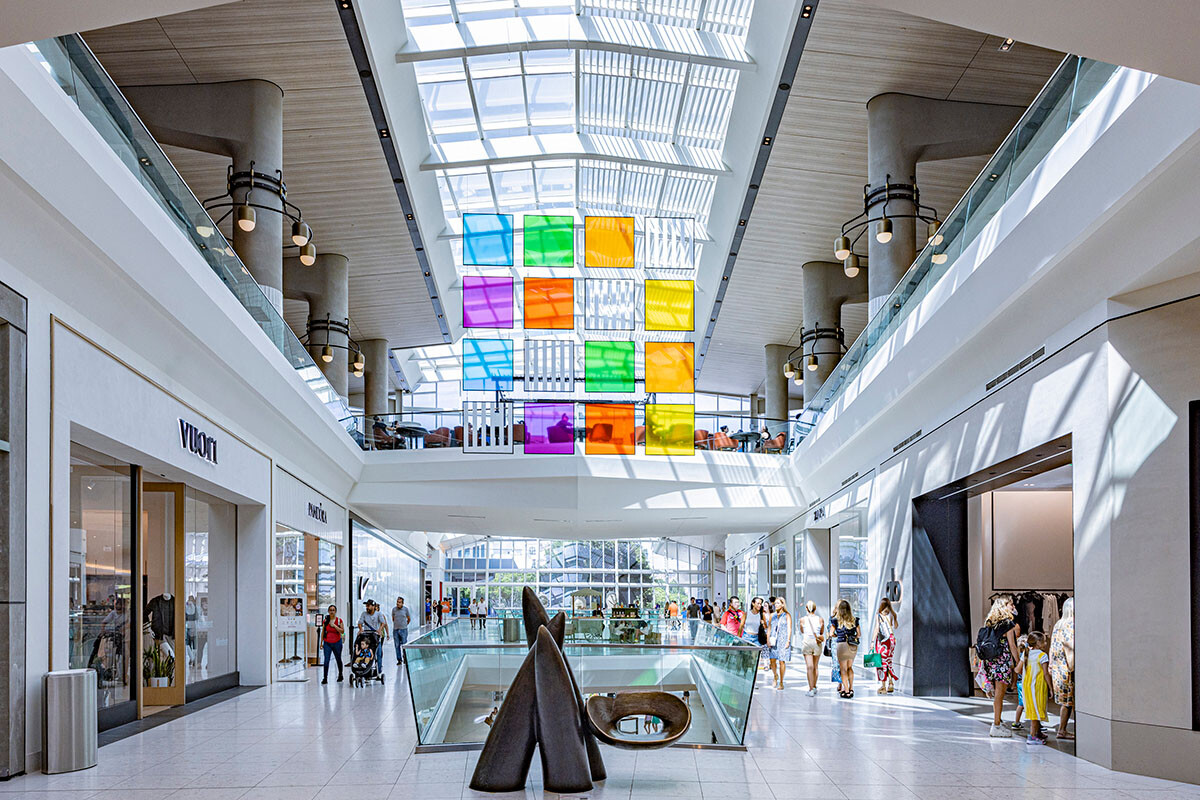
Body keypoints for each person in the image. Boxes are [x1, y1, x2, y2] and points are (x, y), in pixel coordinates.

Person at [978, 596, 1021, 737]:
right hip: (1002, 662)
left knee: (997, 694)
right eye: (1011, 604)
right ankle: (996, 725)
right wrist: (1019, 662)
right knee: (999, 695)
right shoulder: (1008, 624)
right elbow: (1012, 646)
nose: (1013, 607)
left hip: (990, 662)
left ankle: (998, 720)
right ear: (1004, 606)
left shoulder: (990, 623)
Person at [1018, 631, 1051, 745]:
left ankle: (1036, 733)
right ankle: (1032, 736)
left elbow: (1017, 669)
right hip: (1038, 686)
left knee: (1032, 709)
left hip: (1027, 686)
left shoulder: (1026, 654)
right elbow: (1046, 673)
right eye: (1044, 641)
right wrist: (1051, 687)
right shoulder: (1043, 655)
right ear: (1038, 643)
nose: (1046, 643)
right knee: (1037, 711)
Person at [1049, 598, 1075, 740]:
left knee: (1066, 701)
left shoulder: (1059, 624)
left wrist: (1051, 665)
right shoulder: (1072, 624)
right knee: (1069, 701)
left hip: (1058, 667)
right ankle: (1062, 729)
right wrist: (1072, 667)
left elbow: (1053, 645)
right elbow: (1070, 646)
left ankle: (1062, 729)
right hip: (1068, 667)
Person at [830, 599, 861, 698]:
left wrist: (837, 635)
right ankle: (851, 689)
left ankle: (846, 691)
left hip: (842, 645)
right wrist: (852, 636)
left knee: (843, 669)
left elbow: (831, 633)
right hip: (852, 646)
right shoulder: (854, 620)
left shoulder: (835, 620)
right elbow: (859, 634)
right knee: (850, 667)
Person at [871, 598, 899, 694]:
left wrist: (872, 642)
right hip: (892, 641)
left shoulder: (879, 615)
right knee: (889, 662)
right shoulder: (892, 614)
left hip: (883, 642)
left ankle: (883, 686)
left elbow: (877, 629)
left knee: (881, 662)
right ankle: (891, 683)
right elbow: (895, 626)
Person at [798, 600, 825, 696]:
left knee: (809, 667)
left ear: (806, 608)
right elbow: (821, 632)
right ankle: (814, 686)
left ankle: (810, 689)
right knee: (815, 666)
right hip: (817, 643)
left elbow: (802, 631)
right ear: (815, 608)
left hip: (807, 642)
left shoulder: (802, 619)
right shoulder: (820, 619)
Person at [768, 597, 794, 690]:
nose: (776, 605)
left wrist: (788, 640)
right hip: (774, 639)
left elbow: (789, 628)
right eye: (775, 603)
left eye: (778, 603)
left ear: (783, 604)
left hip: (783, 639)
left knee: (782, 661)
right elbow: (769, 628)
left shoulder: (787, 615)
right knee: (772, 660)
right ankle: (775, 675)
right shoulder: (772, 615)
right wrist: (768, 639)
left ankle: (781, 682)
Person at [357, 599, 388, 669]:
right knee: (365, 651)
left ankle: (379, 670)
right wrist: (361, 629)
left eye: (368, 606)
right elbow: (360, 622)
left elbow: (383, 623)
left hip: (375, 635)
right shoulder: (364, 614)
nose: (367, 607)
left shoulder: (378, 614)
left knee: (378, 653)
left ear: (373, 606)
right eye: (366, 606)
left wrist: (380, 630)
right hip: (366, 635)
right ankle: (364, 666)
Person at [742, 597, 769, 667]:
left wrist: (763, 623)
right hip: (746, 637)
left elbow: (766, 627)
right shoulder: (746, 614)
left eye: (760, 604)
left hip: (757, 638)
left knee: (755, 657)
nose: (759, 605)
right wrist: (738, 637)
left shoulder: (762, 615)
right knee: (746, 656)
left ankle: (752, 673)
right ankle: (745, 671)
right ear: (753, 603)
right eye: (758, 603)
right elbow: (741, 626)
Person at [321, 604, 344, 684]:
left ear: (335, 611)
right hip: (327, 643)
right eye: (330, 610)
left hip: (337, 642)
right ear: (328, 611)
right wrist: (321, 643)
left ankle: (340, 674)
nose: (332, 611)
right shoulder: (325, 620)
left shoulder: (339, 620)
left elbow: (342, 631)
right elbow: (323, 631)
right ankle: (325, 678)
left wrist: (334, 625)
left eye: (333, 610)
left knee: (338, 659)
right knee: (326, 660)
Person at [1011, 634, 1029, 732]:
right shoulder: (1025, 656)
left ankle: (1017, 722)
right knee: (1027, 703)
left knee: (1021, 704)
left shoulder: (1018, 656)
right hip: (1025, 682)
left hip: (1020, 682)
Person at [392, 596, 412, 665]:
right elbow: (393, 619)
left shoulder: (406, 609)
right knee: (397, 645)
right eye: (397, 602)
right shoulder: (394, 610)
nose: (398, 603)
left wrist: (405, 625)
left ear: (402, 603)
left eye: (399, 602)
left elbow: (409, 619)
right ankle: (399, 660)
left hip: (403, 629)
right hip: (396, 630)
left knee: (404, 644)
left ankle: (405, 658)